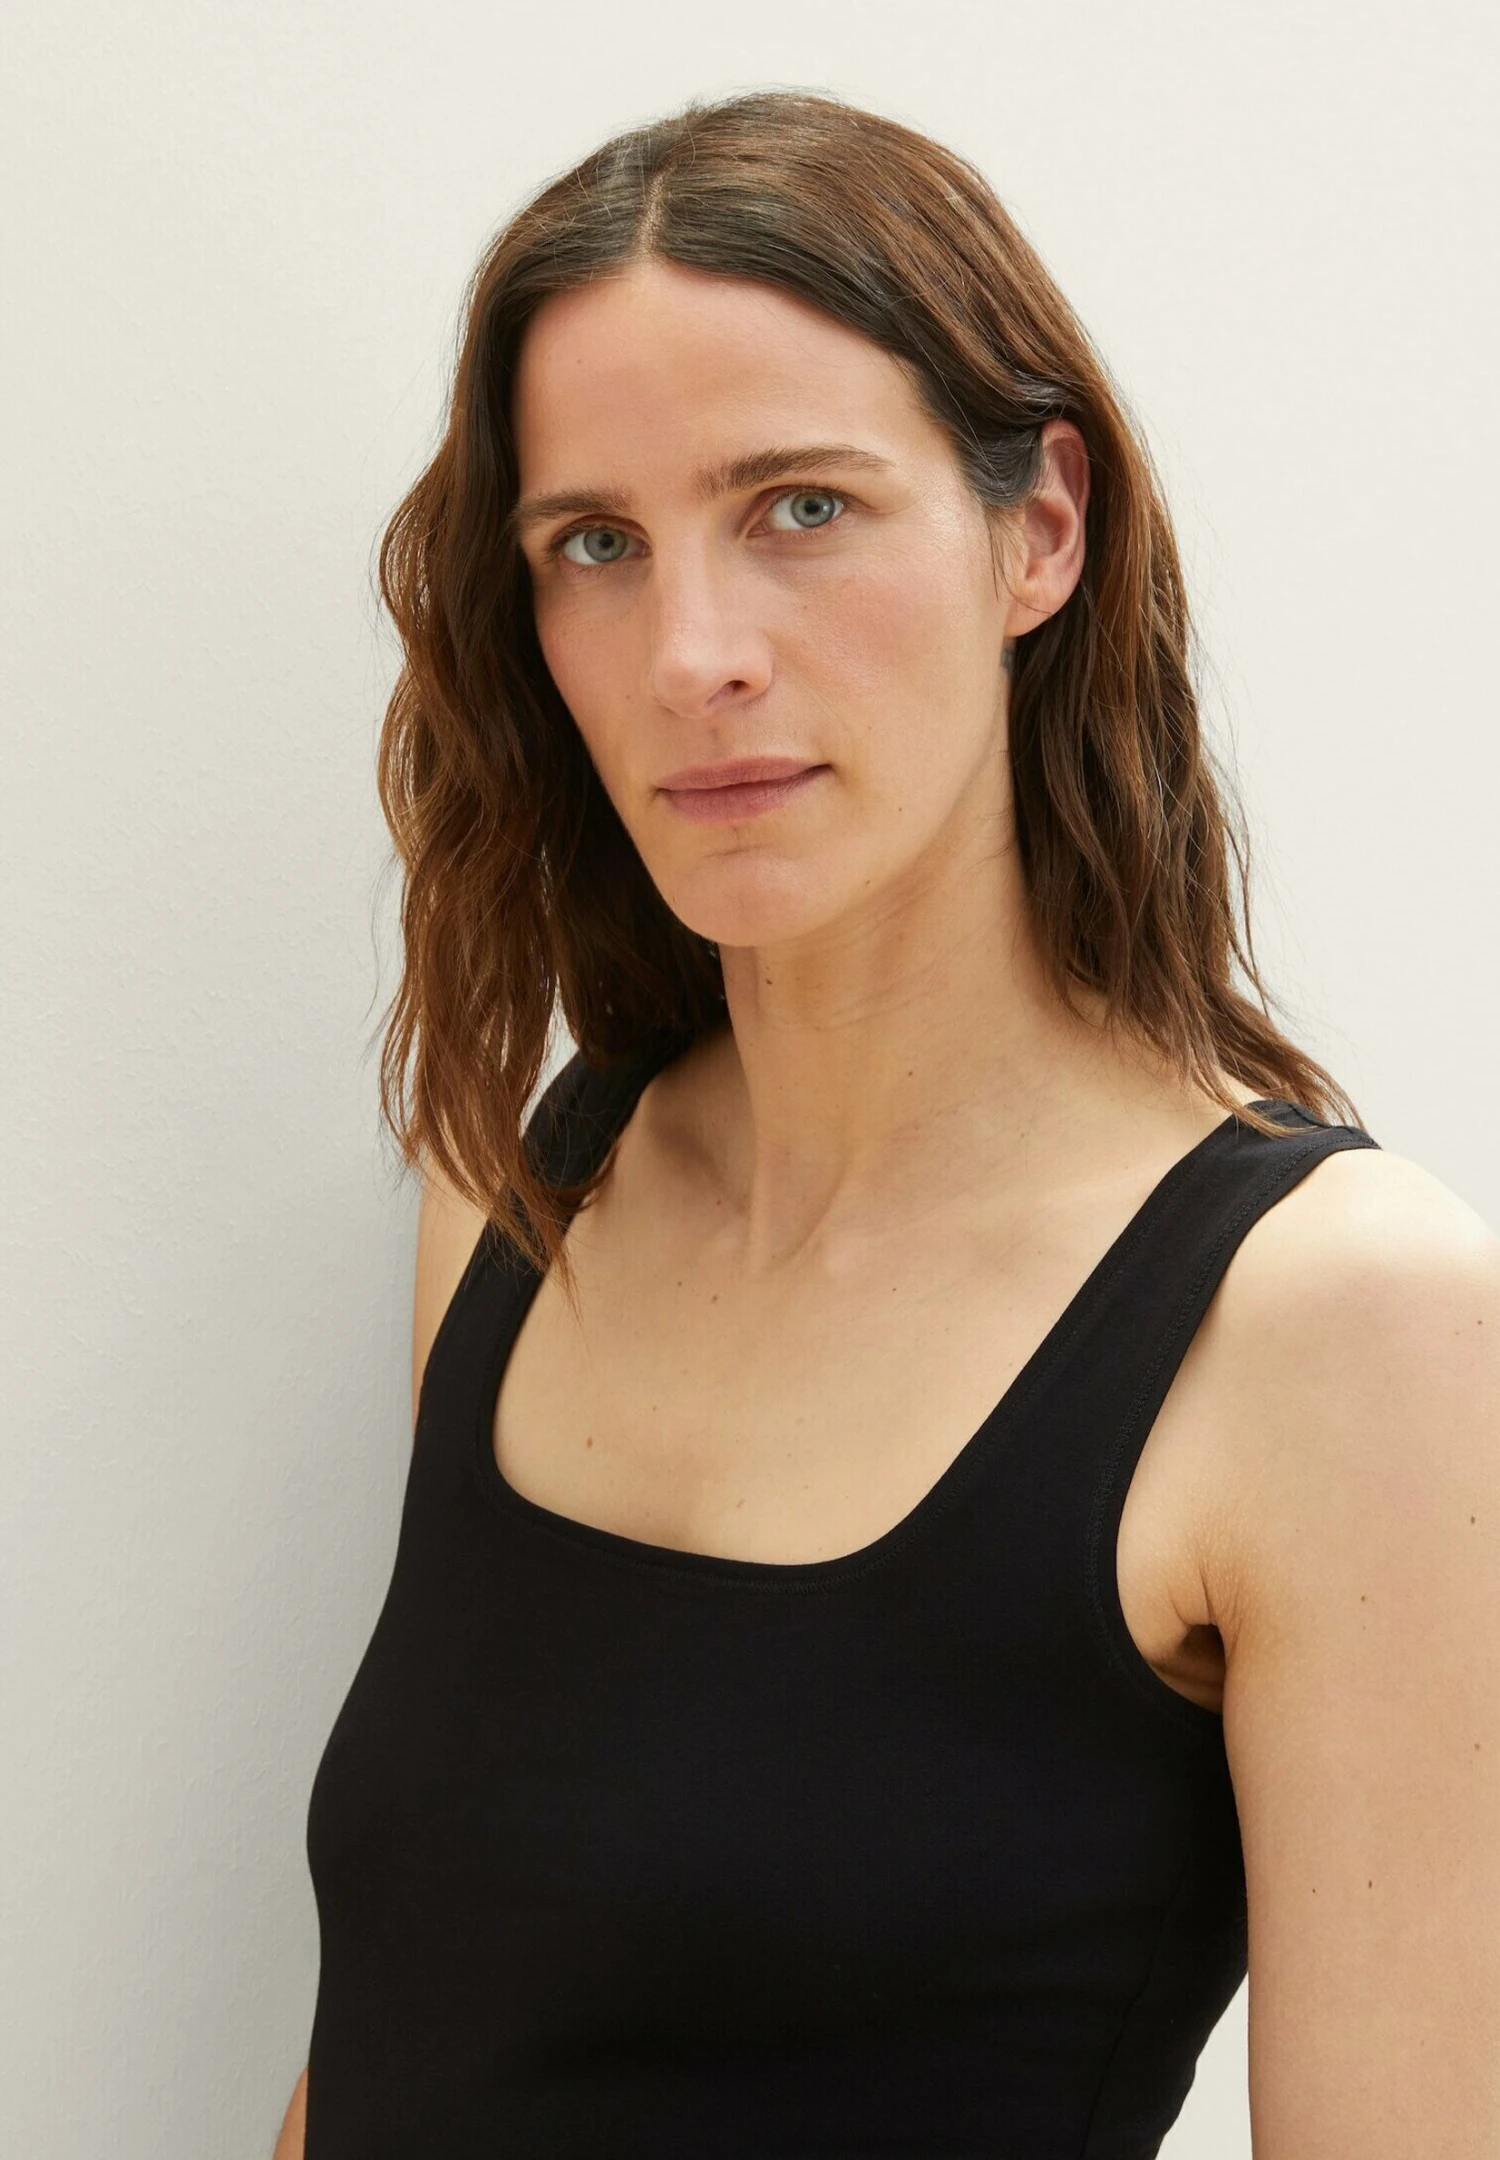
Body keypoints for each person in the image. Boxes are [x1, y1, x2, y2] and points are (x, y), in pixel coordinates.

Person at [273, 89, 1499, 2160]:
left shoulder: (1340, 1325)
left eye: (801, 508)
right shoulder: (527, 1188)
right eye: (596, 546)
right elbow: (399, 2042)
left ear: (1041, 531)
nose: (694, 657)